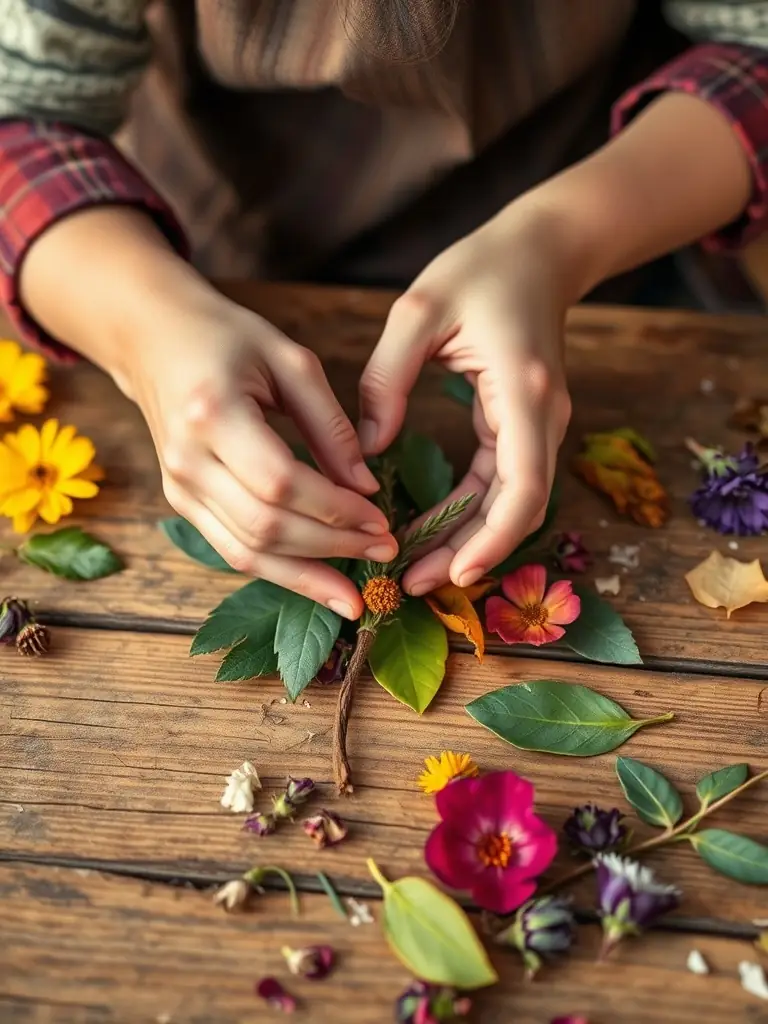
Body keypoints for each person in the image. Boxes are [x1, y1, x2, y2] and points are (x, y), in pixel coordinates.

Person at [0, 1, 763, 620]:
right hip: (204, 236)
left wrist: (556, 241)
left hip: (613, 219)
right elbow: (20, 116)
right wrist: (147, 326)